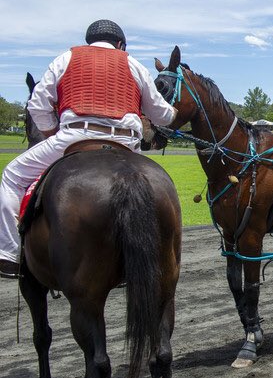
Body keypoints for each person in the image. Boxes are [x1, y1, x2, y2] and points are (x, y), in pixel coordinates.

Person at [0, 20, 178, 279]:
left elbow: (37, 105)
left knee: (12, 176)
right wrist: (172, 113)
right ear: (120, 44)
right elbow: (160, 114)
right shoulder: (133, 64)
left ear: (89, 41)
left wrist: (52, 133)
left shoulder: (66, 58)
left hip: (75, 136)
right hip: (126, 143)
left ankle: (9, 254)